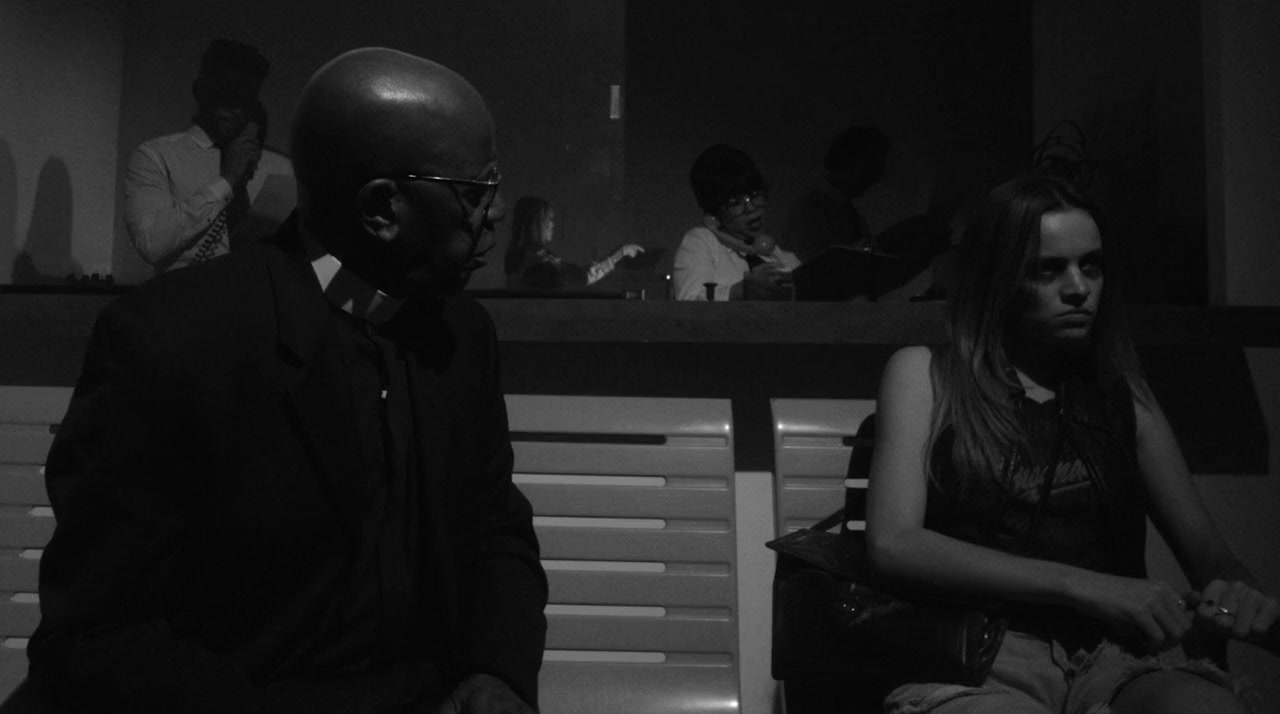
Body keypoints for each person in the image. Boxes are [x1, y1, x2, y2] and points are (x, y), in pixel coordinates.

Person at [14, 48, 546, 713]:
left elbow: (496, 528)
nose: (497, 213)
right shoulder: (171, 340)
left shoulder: (462, 333)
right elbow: (96, 633)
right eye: (475, 190)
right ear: (382, 209)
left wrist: (498, 673)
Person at [864, 175, 1276, 713]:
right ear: (998, 277)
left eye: (1092, 266)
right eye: (1048, 269)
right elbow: (894, 543)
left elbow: (1211, 556)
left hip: (1112, 661)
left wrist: (1237, 591)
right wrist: (1086, 586)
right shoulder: (927, 375)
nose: (1079, 288)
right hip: (978, 659)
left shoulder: (1122, 395)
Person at [124, 38, 292, 274]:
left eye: (246, 100)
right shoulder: (156, 157)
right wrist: (226, 181)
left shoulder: (280, 168)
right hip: (188, 293)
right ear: (204, 94)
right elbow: (151, 243)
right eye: (228, 97)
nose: (237, 110)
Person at [671, 144, 799, 301]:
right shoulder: (701, 242)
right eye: (735, 202)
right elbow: (689, 303)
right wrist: (738, 291)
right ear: (714, 213)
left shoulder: (782, 258)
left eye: (754, 194)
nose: (751, 208)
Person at [783, 125, 888, 263]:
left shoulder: (855, 220)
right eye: (871, 165)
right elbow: (814, 265)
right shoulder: (810, 209)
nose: (876, 177)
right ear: (850, 161)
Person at [502, 195, 643, 290]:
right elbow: (580, 277)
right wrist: (620, 254)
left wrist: (620, 253)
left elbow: (580, 276)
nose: (553, 225)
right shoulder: (541, 264)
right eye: (549, 219)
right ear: (536, 223)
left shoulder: (521, 256)